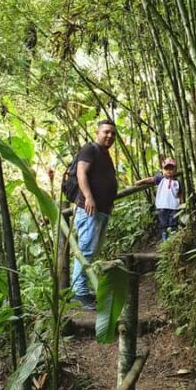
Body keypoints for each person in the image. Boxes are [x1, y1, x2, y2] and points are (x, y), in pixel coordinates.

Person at [71, 119, 118, 309]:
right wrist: (89, 197)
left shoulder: (105, 154)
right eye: (106, 132)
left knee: (91, 251)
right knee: (86, 250)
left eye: (113, 133)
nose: (109, 136)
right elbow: (82, 172)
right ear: (97, 132)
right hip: (88, 209)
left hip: (101, 211)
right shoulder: (90, 149)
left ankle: (83, 290)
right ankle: (79, 293)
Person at [135, 158, 183, 241]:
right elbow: (150, 179)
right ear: (162, 170)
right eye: (166, 169)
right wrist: (140, 182)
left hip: (174, 207)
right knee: (163, 224)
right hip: (162, 206)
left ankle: (173, 240)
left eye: (171, 169)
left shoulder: (177, 182)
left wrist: (181, 204)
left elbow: (180, 194)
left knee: (173, 223)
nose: (168, 171)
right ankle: (165, 240)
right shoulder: (160, 179)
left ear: (175, 170)